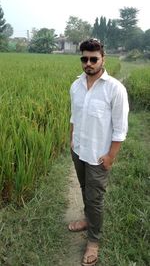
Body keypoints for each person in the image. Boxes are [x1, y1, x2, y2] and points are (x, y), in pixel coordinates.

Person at [68, 39, 129, 266]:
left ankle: (93, 241)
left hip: (98, 156)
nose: (89, 63)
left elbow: (120, 129)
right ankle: (87, 219)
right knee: (85, 189)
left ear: (103, 59)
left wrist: (110, 156)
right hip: (79, 151)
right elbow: (74, 117)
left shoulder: (115, 89)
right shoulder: (76, 86)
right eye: (84, 58)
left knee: (95, 200)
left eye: (94, 59)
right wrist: (71, 140)